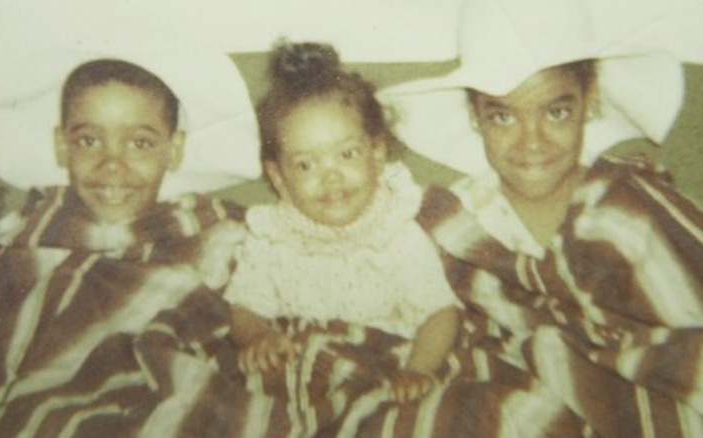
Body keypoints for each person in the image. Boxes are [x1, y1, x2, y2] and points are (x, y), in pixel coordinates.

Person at [382, 0, 703, 435]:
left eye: (556, 112)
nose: (531, 142)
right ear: (476, 117)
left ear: (589, 103)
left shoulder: (631, 204)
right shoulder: (456, 224)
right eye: (502, 115)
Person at [0, 55, 251, 437]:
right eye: (89, 140)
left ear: (173, 149)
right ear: (62, 146)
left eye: (140, 143)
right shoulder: (18, 242)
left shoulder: (216, 232)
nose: (112, 164)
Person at [223, 41, 461, 403]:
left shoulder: (395, 232)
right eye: (306, 164)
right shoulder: (272, 237)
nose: (330, 177)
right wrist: (257, 337)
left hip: (385, 371)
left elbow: (440, 314)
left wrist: (418, 369)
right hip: (303, 380)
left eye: (346, 154)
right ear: (278, 177)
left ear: (377, 154)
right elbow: (245, 306)